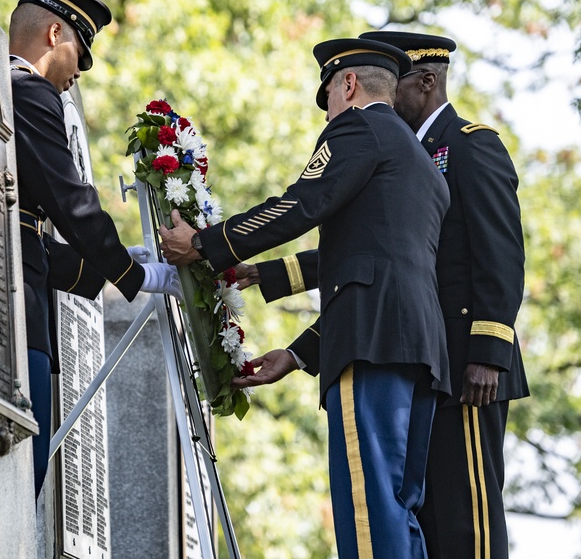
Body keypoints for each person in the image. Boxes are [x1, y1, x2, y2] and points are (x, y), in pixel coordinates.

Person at [235, 31, 529, 559]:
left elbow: (500, 254)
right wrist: (279, 296)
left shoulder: (469, 144)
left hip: (465, 358)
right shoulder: (405, 156)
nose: (387, 95)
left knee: (467, 517)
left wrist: (488, 352)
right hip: (417, 346)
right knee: (421, 513)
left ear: (426, 81)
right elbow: (375, 262)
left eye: (399, 85)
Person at [159, 37, 451, 559]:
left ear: (348, 84)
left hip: (371, 347)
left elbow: (300, 205)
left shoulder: (358, 127)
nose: (329, 112)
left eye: (329, 97)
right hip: (419, 348)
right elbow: (371, 264)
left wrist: (204, 244)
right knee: (400, 510)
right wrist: (297, 355)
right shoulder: (422, 163)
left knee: (369, 511)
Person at [8, 0, 180, 497]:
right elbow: (73, 203)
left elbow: (31, 236)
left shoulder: (5, 92)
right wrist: (136, 274)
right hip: (20, 320)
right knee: (22, 483)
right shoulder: (28, 89)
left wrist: (115, 264)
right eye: (78, 58)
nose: (74, 79)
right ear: (54, 33)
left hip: (18, 300)